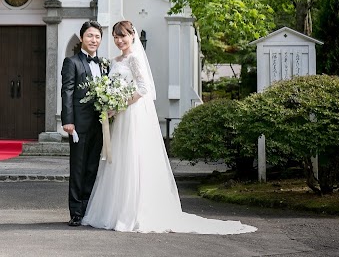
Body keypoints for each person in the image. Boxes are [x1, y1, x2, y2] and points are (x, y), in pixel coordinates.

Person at [81, 20, 257, 234]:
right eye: (116, 37)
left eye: (123, 36)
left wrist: (118, 105)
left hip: (133, 115)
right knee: (119, 160)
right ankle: (115, 210)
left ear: (132, 36)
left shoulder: (135, 58)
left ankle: (135, 211)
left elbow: (144, 88)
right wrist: (110, 106)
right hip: (120, 117)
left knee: (134, 159)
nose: (119, 40)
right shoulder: (114, 60)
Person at [61, 20, 107, 227]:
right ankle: (76, 212)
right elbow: (67, 91)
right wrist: (68, 121)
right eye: (90, 36)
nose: (94, 40)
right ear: (82, 38)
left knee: (93, 166)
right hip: (79, 124)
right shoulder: (72, 62)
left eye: (97, 37)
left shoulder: (105, 64)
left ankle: (89, 208)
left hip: (101, 123)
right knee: (78, 167)